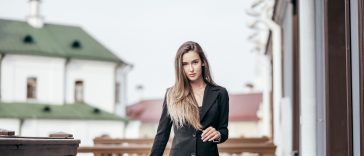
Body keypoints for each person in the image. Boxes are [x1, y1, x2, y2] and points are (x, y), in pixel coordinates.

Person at [150, 41, 229, 156]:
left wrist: (218, 134)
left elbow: (224, 130)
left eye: (195, 62)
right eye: (185, 64)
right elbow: (162, 135)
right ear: (180, 67)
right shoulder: (172, 94)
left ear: (203, 62)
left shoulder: (220, 93)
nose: (191, 69)